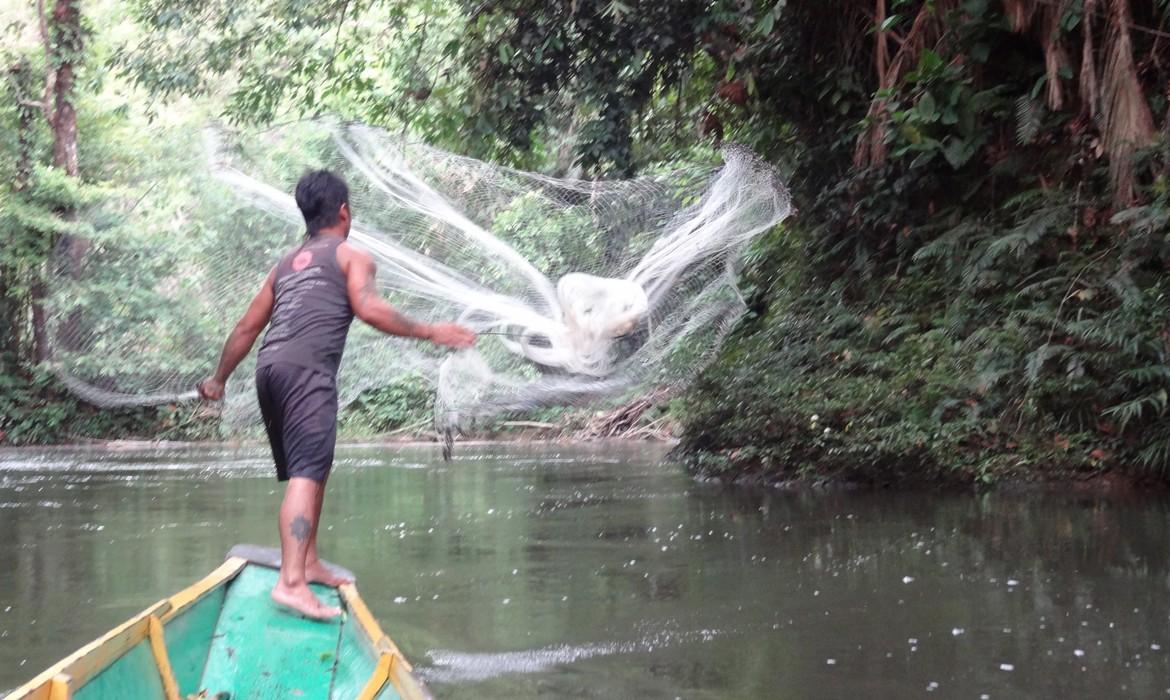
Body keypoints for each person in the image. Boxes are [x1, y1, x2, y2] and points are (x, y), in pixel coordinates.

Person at [197, 170, 476, 619]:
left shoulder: (284, 266)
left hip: (270, 371)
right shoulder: (352, 256)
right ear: (343, 212)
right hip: (307, 373)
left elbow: (247, 327)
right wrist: (432, 331)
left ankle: (307, 562)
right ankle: (291, 583)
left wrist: (218, 379)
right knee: (307, 473)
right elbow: (369, 308)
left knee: (314, 468)